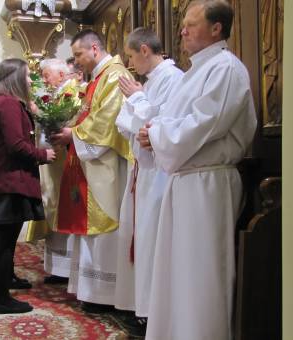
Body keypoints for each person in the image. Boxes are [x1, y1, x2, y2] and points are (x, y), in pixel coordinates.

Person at [137, 1, 257, 338]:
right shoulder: (197, 71)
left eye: (191, 24)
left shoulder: (225, 68)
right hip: (186, 178)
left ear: (217, 28)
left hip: (208, 181)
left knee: (202, 272)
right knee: (177, 272)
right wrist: (153, 131)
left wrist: (156, 134)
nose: (182, 31)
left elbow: (204, 123)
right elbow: (174, 120)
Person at [50, 29, 133, 312]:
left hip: (105, 165)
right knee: (90, 231)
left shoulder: (114, 75)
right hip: (91, 163)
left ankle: (104, 294)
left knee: (104, 228)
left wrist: (72, 134)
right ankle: (91, 291)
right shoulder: (99, 78)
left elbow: (105, 124)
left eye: (78, 55)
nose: (76, 62)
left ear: (94, 49)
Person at [114, 27, 183, 327]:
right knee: (140, 239)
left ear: (144, 50)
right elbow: (125, 123)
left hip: (159, 173)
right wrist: (140, 109)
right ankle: (142, 310)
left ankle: (152, 315)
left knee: (152, 241)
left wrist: (140, 103)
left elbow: (161, 125)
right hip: (143, 170)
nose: (130, 64)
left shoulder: (173, 79)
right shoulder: (151, 81)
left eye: (131, 55)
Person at [0, 58, 56, 314]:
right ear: (14, 78)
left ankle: (3, 291)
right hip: (8, 182)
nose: (29, 81)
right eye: (26, 77)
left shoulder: (3, 102)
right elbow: (15, 145)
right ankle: (1, 299)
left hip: (5, 181)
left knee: (5, 242)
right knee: (4, 243)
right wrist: (43, 155)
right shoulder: (9, 104)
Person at [38, 58, 76, 284]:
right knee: (53, 208)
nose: (44, 79)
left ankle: (65, 268)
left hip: (64, 162)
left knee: (62, 209)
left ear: (61, 76)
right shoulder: (55, 95)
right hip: (53, 163)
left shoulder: (72, 94)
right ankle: (57, 268)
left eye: (47, 75)